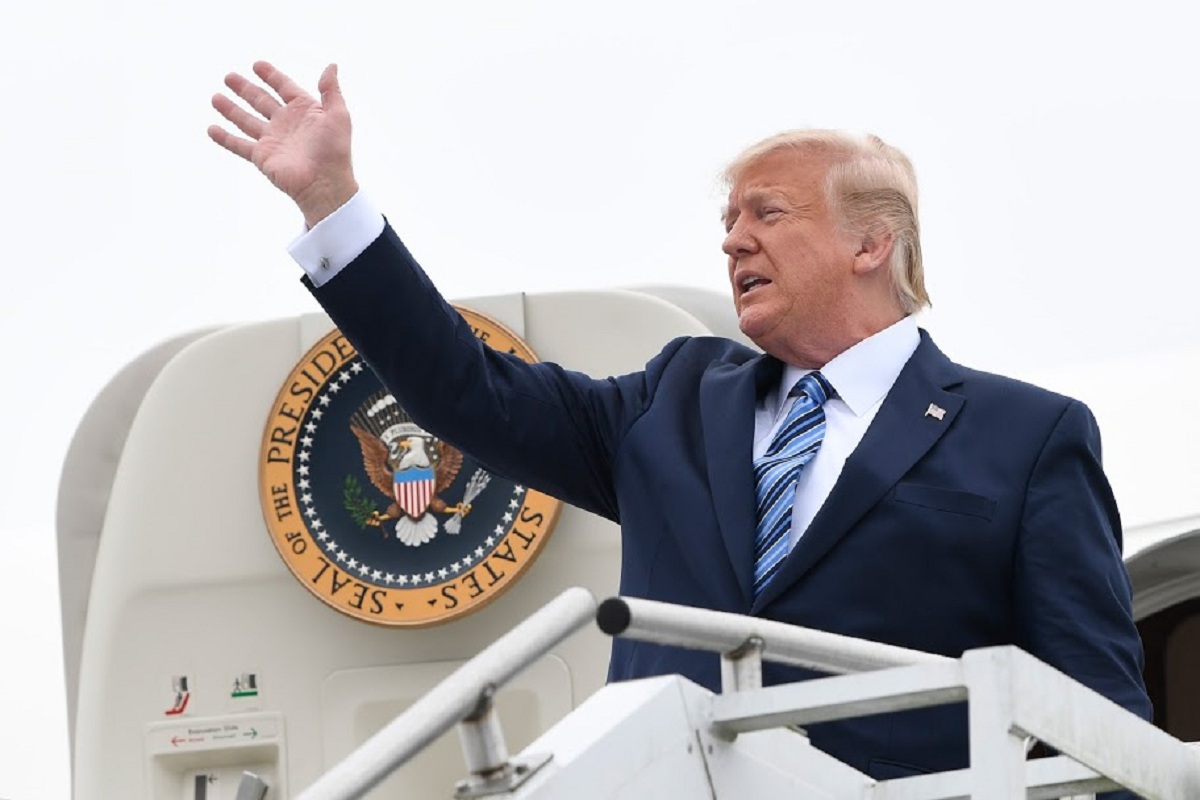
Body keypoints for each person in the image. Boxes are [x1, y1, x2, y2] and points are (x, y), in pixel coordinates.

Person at [209, 62, 1151, 786]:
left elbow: (1098, 711)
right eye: (730, 218)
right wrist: (332, 205)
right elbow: (466, 392)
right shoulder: (676, 398)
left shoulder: (1027, 438)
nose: (733, 238)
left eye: (768, 213)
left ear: (873, 243)